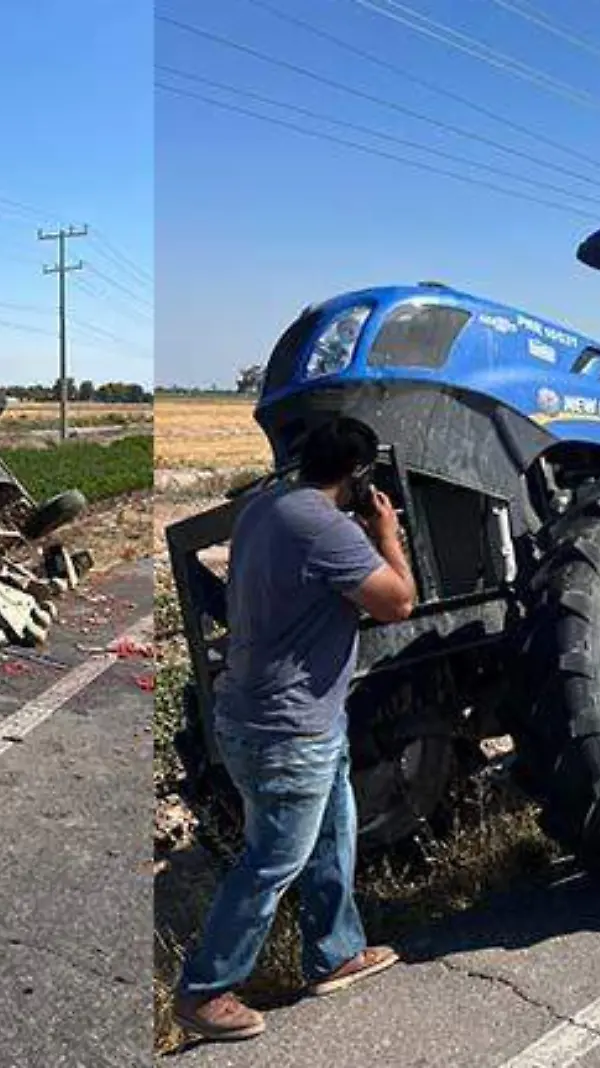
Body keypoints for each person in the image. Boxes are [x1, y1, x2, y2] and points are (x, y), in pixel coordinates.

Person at [174, 418, 418, 1042]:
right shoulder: (327, 528)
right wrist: (386, 534)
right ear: (359, 476)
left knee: (335, 829)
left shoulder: (262, 508)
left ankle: (335, 953)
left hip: (278, 716)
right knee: (273, 862)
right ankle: (204, 991)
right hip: (287, 731)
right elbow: (398, 602)